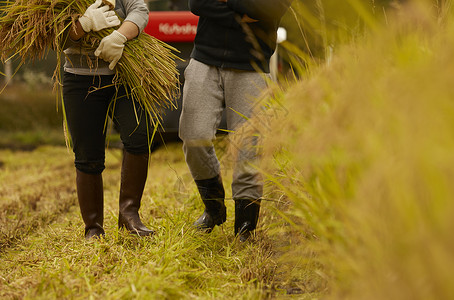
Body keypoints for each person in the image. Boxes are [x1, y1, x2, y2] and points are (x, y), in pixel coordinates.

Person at [179, 0, 293, 242]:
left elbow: (273, 9)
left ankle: (245, 227)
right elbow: (197, 2)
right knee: (193, 136)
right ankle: (213, 208)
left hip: (251, 65)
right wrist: (241, 17)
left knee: (248, 149)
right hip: (204, 58)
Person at [63, 0, 153, 239]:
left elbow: (140, 10)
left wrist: (119, 36)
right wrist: (83, 24)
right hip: (80, 78)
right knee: (87, 154)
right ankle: (93, 227)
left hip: (124, 74)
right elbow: (54, 37)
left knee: (139, 134)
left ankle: (129, 215)